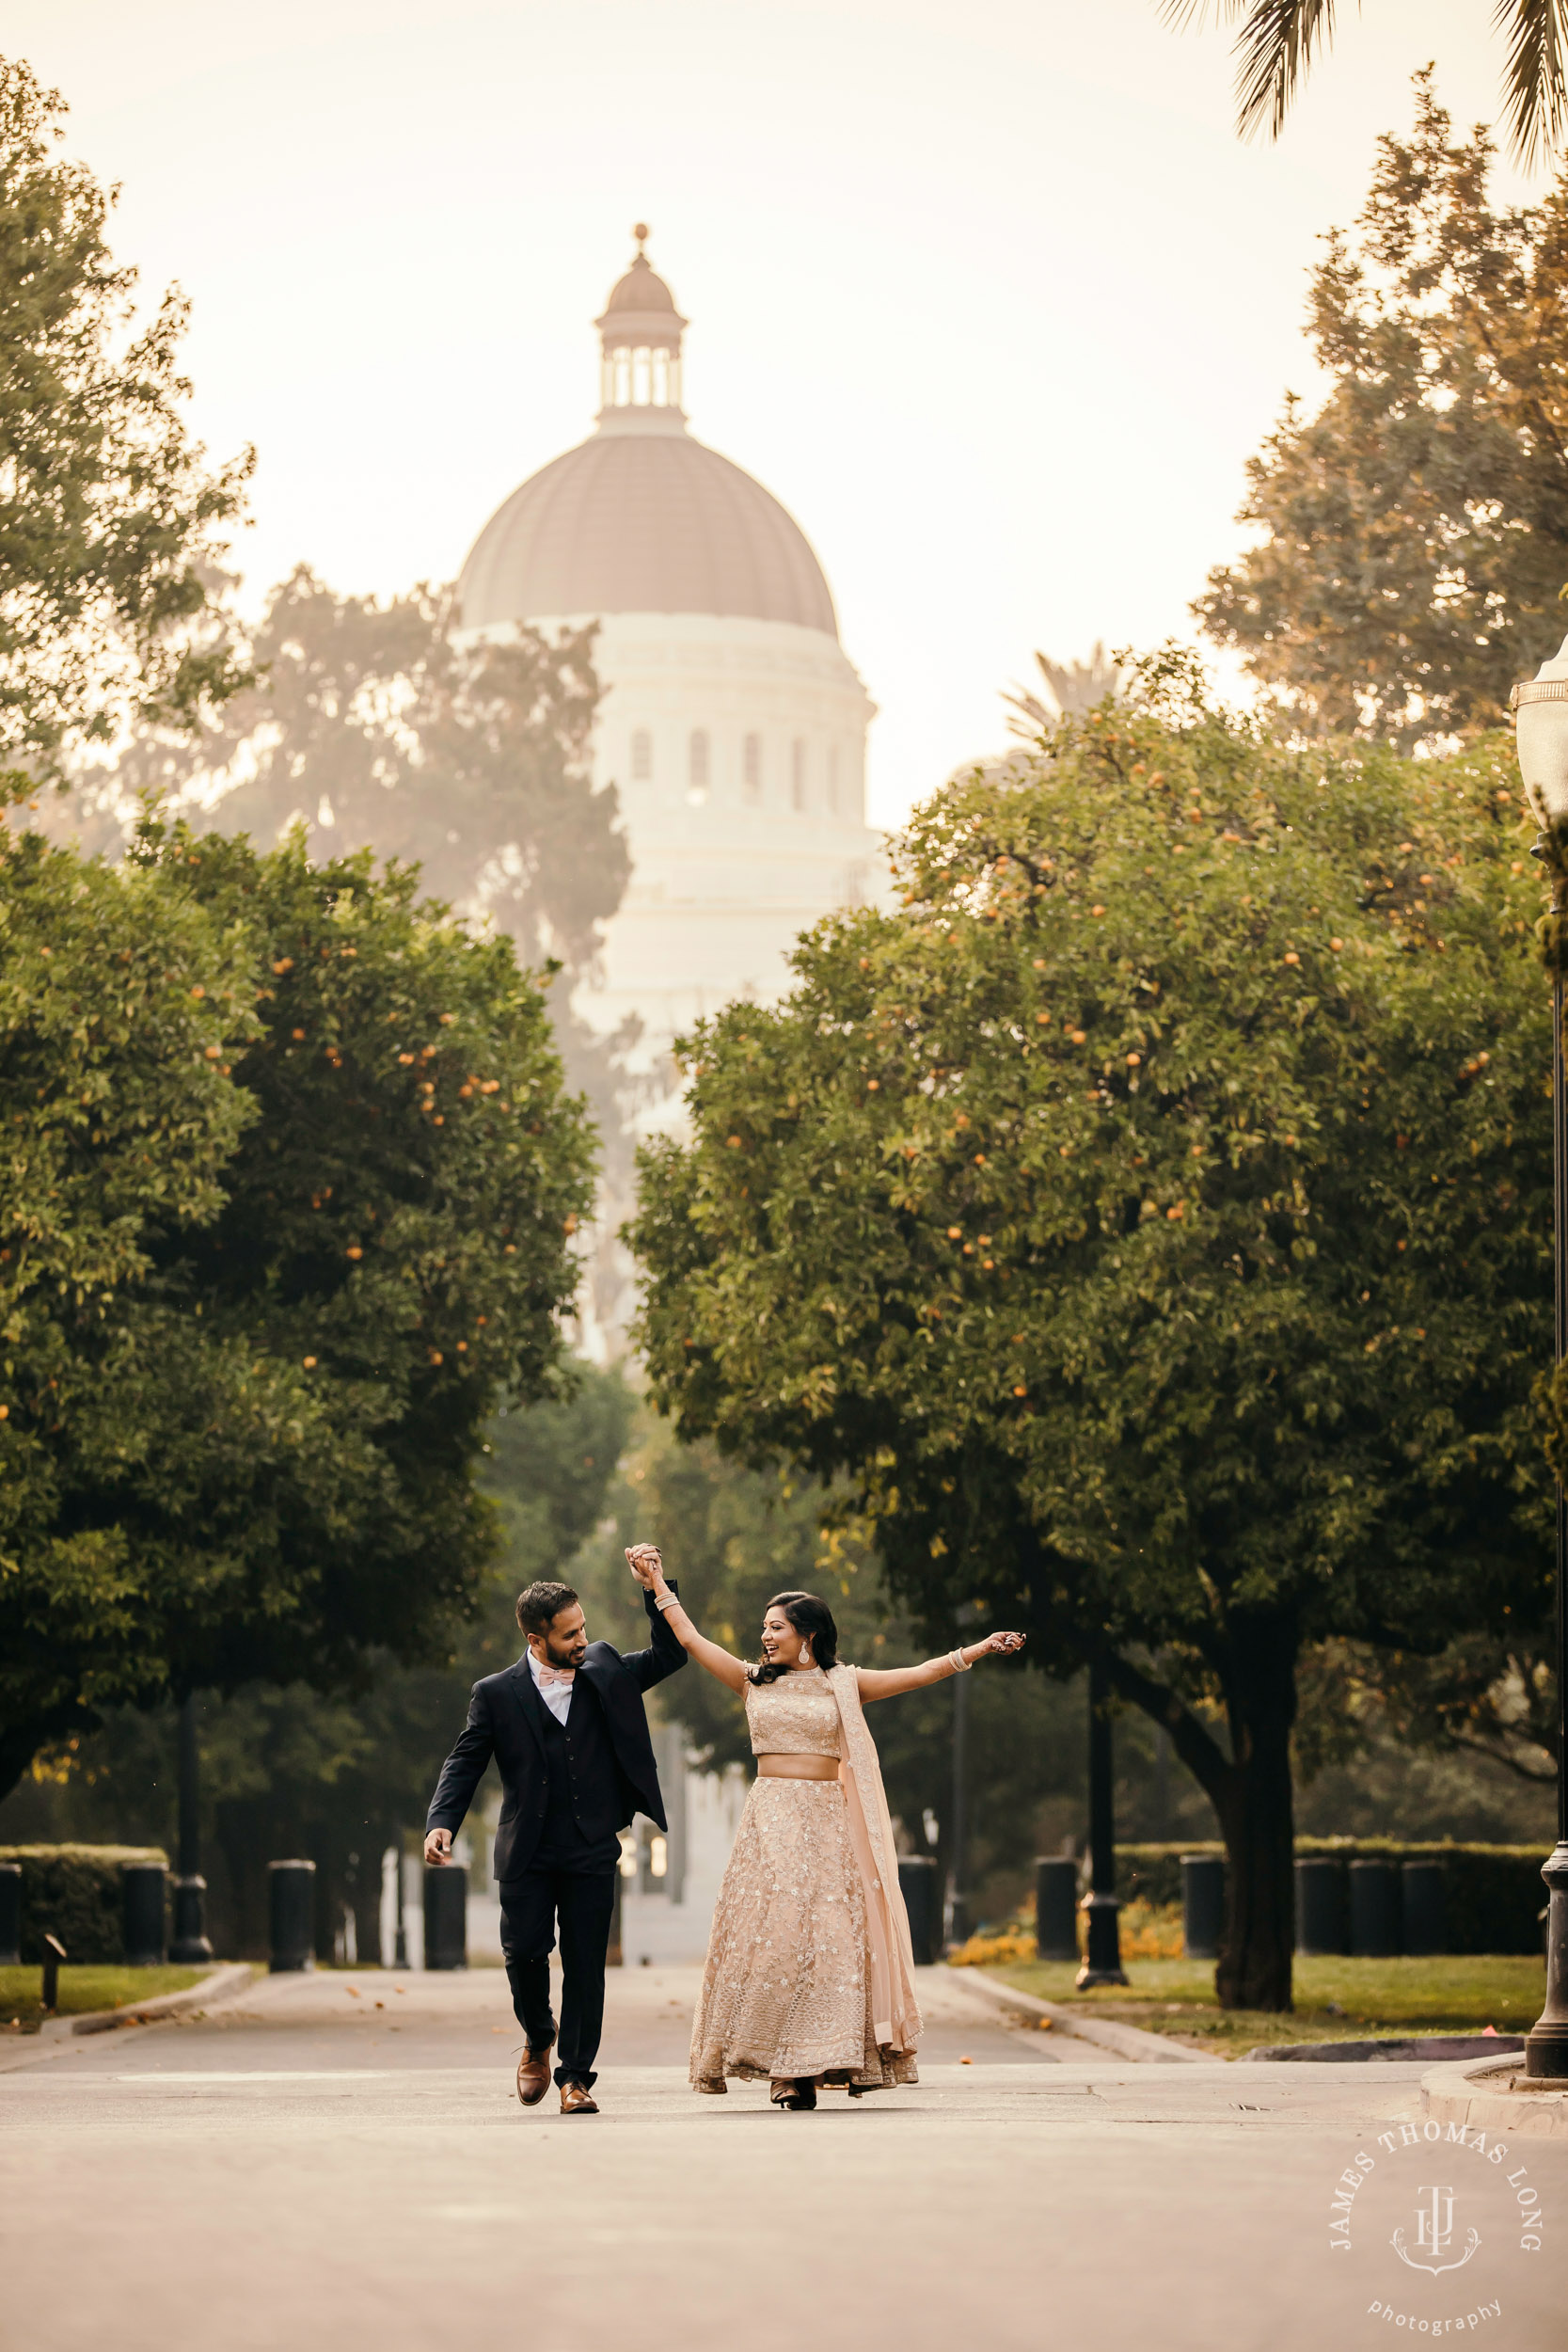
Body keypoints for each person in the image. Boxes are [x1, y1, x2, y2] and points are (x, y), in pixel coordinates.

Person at [624, 1543, 1024, 2108]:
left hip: (831, 1824)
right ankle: (781, 2069)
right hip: (772, 1820)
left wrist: (977, 1650)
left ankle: (820, 2061)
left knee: (835, 1941)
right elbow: (691, 1640)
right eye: (764, 1627)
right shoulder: (751, 1681)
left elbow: (919, 1674)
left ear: (806, 1634)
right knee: (778, 1940)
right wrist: (657, 1586)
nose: (765, 1637)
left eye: (776, 1627)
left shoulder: (845, 1683)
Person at [424, 1574, 686, 2116]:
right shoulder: (495, 1694)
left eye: (583, 1627)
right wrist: (441, 1820)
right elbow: (465, 1761)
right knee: (523, 1954)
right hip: (527, 1848)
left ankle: (575, 2078)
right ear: (535, 1638)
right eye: (569, 1634)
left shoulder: (605, 1670)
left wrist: (655, 1589)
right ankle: (538, 2036)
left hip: (591, 1845)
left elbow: (669, 1653)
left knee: (586, 1963)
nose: (581, 1641)